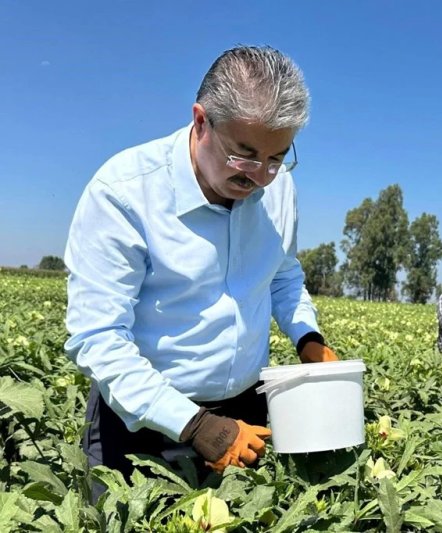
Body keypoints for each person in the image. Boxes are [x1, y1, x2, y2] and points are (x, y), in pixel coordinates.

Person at [64, 46, 338, 501]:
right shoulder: (124, 193)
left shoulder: (279, 189)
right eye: (244, 155)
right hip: (144, 423)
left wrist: (309, 339)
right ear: (200, 121)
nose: (262, 177)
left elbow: (283, 273)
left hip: (247, 414)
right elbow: (98, 337)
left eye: (277, 157)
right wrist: (194, 424)